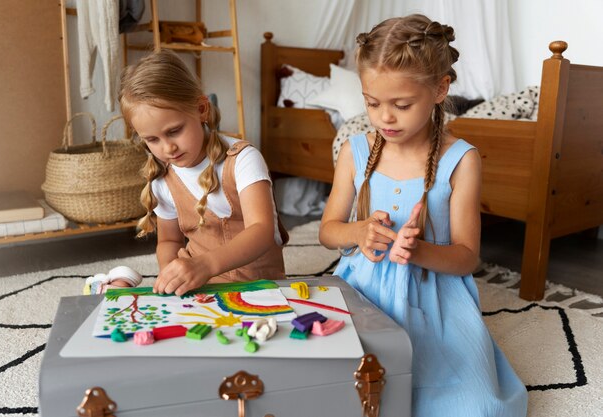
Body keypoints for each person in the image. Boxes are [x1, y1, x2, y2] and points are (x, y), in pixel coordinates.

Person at [319, 14, 527, 417]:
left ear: (440, 89)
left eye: (401, 104)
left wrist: (418, 251)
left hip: (437, 301)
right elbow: (329, 231)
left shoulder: (460, 160)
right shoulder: (354, 151)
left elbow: (467, 255)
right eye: (372, 103)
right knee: (338, 391)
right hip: (363, 294)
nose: (384, 118)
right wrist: (358, 232)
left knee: (480, 408)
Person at [119, 49, 287, 297]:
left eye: (174, 131)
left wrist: (206, 265)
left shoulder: (243, 159)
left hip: (256, 286)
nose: (168, 148)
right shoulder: (163, 178)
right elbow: (169, 242)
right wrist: (173, 276)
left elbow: (261, 231)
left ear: (201, 109)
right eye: (152, 140)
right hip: (200, 291)